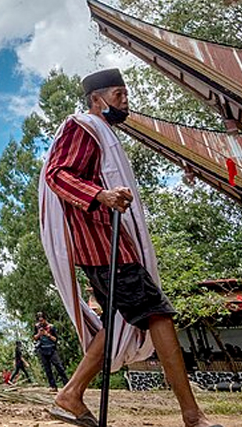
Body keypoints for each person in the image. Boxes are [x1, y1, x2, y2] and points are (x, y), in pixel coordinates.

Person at [39, 68, 219, 427]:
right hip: (106, 246)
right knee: (158, 314)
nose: (125, 102)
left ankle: (70, 394)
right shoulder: (82, 126)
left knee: (118, 322)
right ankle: (192, 415)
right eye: (119, 95)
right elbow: (57, 174)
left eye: (125, 95)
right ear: (96, 99)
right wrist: (100, 195)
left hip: (115, 243)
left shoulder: (105, 133)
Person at [34, 312, 68, 389]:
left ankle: (66, 384)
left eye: (42, 320)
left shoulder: (51, 327)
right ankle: (53, 386)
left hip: (52, 349)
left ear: (45, 319)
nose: (41, 322)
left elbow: (55, 339)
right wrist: (39, 334)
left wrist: (47, 334)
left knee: (59, 367)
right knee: (47, 369)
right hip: (42, 349)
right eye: (39, 321)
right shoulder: (37, 327)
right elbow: (34, 338)